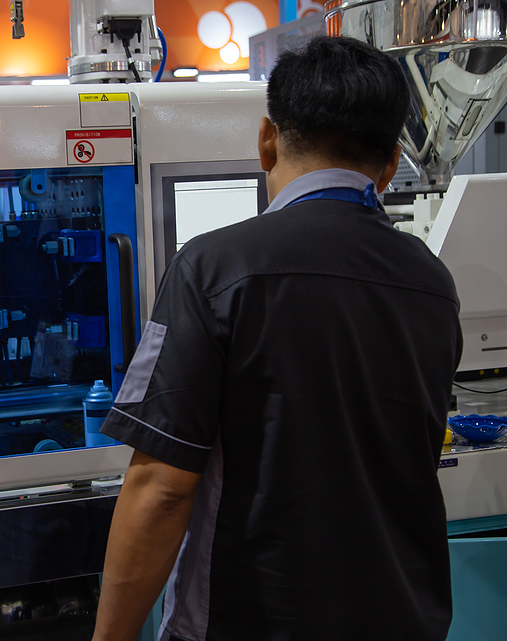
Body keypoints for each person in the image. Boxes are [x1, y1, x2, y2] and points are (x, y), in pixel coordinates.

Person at [91, 36, 463, 641]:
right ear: (391, 164)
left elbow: (160, 485)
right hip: (399, 618)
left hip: (253, 620)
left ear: (267, 140)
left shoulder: (213, 269)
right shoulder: (431, 282)